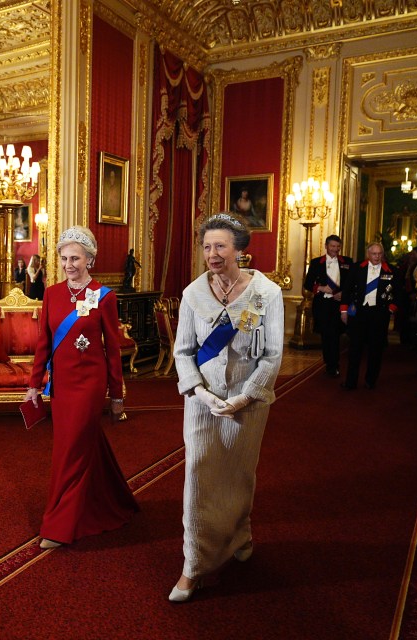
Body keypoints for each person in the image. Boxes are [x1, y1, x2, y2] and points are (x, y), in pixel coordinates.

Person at [169, 212, 284, 602]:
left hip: (247, 403)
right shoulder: (193, 294)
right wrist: (200, 393)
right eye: (206, 247)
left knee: (239, 473)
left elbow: (271, 355)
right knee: (198, 476)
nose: (212, 254)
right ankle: (193, 565)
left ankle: (240, 533)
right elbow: (182, 351)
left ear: (239, 249)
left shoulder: (265, 294)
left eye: (220, 246)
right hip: (202, 402)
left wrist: (244, 396)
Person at [23, 226, 138, 549]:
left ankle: (59, 525)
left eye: (75, 258)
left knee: (72, 449)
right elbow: (43, 343)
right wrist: (35, 385)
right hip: (62, 385)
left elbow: (112, 349)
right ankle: (114, 497)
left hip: (89, 384)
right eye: (63, 258)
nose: (68, 264)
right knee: (76, 445)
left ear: (90, 259)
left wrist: (117, 395)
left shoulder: (105, 296)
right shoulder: (51, 293)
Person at [340, 242, 404, 390]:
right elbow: (347, 290)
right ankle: (351, 382)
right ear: (368, 254)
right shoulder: (357, 268)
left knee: (376, 349)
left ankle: (370, 380)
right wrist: (344, 310)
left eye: (379, 254)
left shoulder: (392, 270)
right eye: (374, 254)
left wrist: (391, 309)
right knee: (355, 349)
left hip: (379, 314)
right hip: (358, 313)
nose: (377, 257)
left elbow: (399, 294)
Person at [303, 235, 353, 377]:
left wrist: (343, 294)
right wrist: (321, 288)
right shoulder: (316, 262)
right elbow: (307, 284)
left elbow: (351, 283)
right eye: (332, 246)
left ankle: (334, 365)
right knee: (326, 335)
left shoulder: (347, 262)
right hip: (323, 305)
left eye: (338, 247)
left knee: (336, 335)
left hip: (339, 304)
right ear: (326, 246)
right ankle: (329, 363)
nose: (335, 249)